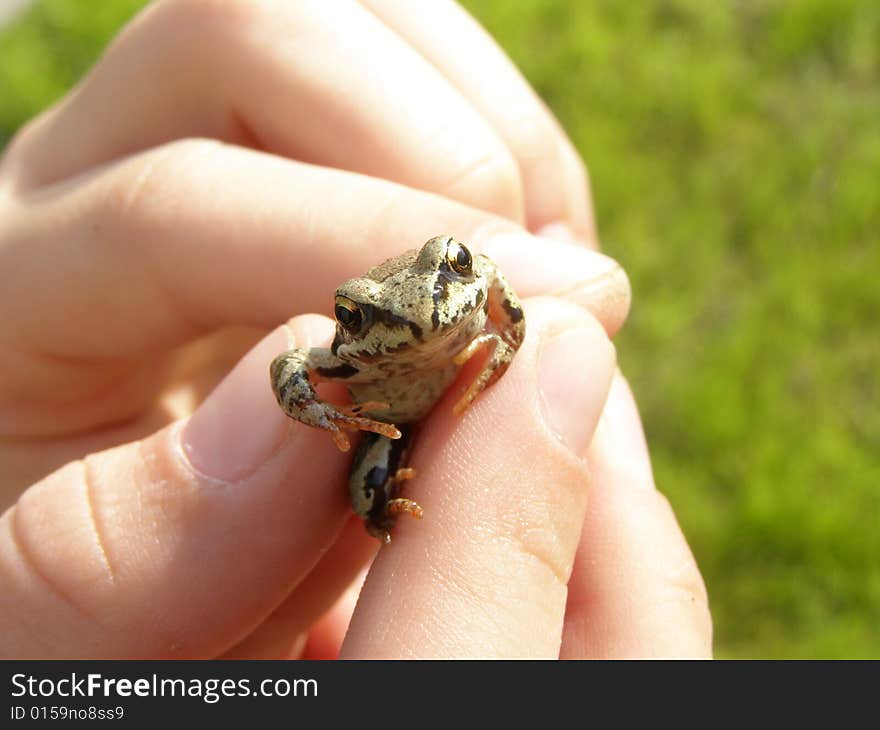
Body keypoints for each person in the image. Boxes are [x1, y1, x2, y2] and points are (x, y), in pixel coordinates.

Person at [0, 0, 711, 658]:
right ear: (354, 319)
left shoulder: (468, 286)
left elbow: (489, 278)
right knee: (366, 490)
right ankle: (380, 515)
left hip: (423, 392)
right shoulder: (346, 363)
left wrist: (508, 335)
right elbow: (289, 368)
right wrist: (315, 415)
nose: (423, 315)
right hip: (383, 424)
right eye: (361, 315)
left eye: (455, 265)